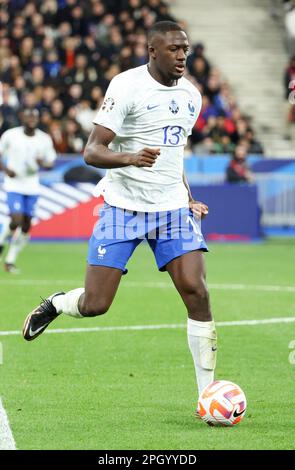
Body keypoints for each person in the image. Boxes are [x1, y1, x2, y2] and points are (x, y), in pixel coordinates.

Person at [22, 22, 217, 405]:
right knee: (96, 305)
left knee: (197, 291)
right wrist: (130, 157)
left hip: (172, 209)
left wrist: (188, 197)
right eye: (174, 49)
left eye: (186, 50)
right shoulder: (126, 86)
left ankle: (207, 395)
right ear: (152, 51)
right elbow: (92, 151)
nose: (182, 56)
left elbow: (174, 157)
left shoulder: (191, 96)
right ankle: (57, 303)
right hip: (123, 206)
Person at [0, 108, 57, 273]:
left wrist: (43, 163)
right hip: (14, 184)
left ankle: (10, 261)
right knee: (16, 219)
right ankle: (1, 243)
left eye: (34, 116)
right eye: (28, 116)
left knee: (26, 225)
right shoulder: (10, 135)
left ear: (38, 119)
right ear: (22, 117)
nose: (31, 119)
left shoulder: (44, 139)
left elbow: (51, 162)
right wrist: (5, 169)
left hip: (32, 186)